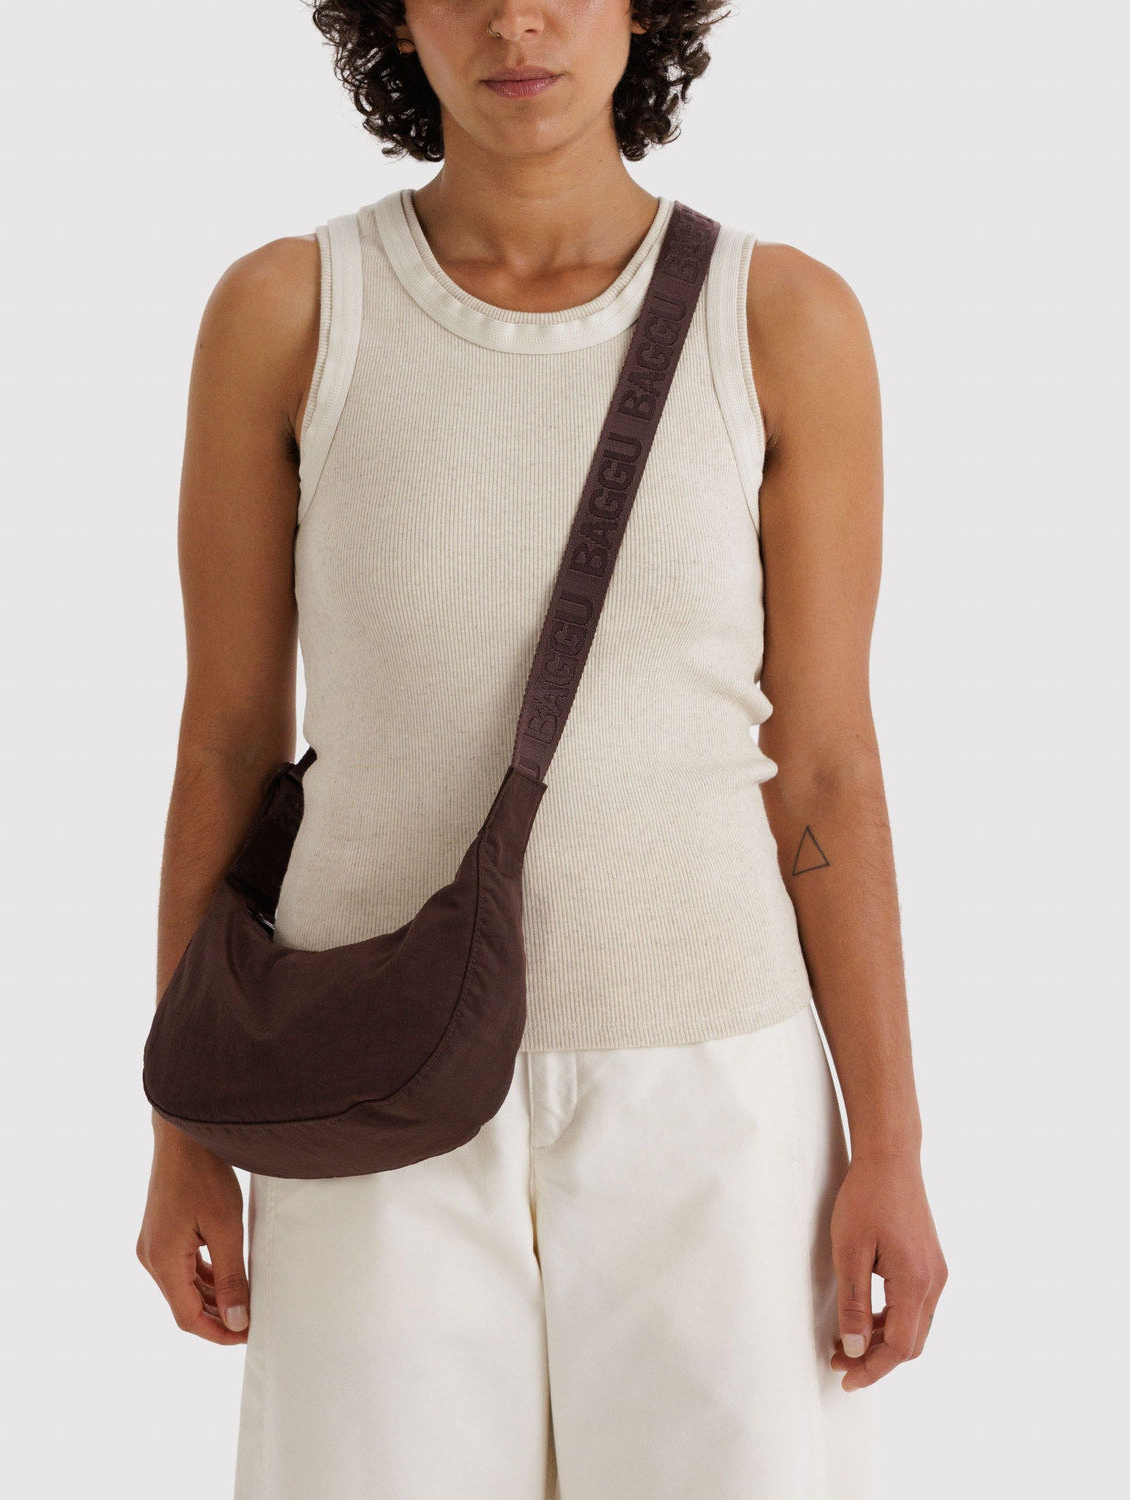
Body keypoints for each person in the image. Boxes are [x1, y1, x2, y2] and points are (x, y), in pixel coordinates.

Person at [136, 2, 948, 1495]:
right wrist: (181, 1132)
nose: (517, 19)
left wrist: (890, 1144)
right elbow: (227, 740)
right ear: (396, 15)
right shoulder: (292, 311)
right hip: (362, 1079)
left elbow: (831, 763)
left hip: (712, 1081)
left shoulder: (782, 321)